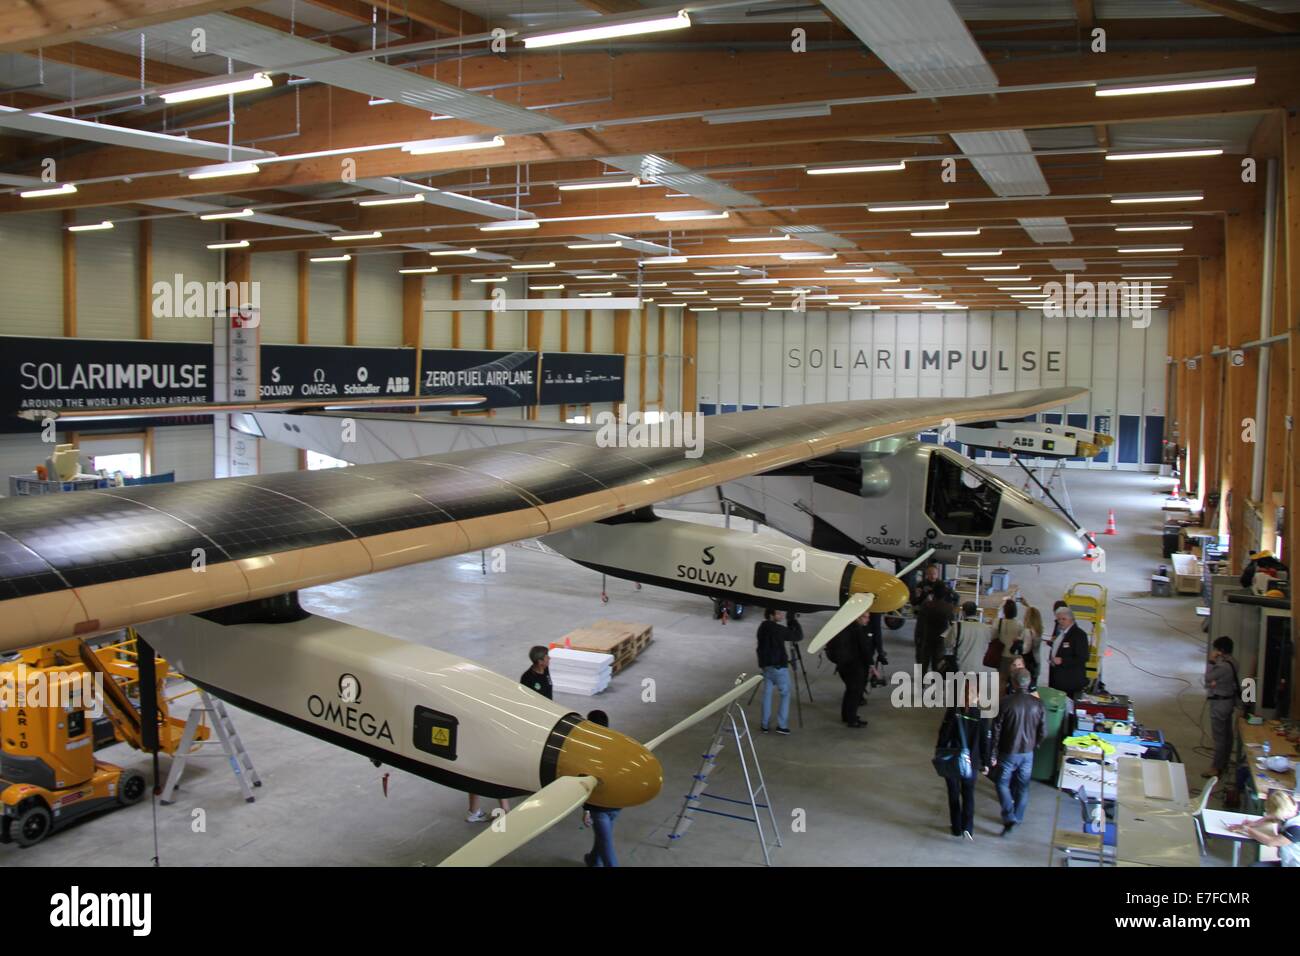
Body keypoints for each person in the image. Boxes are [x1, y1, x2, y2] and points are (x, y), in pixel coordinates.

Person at [990, 669, 1045, 836]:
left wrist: (993, 753)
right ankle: (1018, 817)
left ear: (1013, 683)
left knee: (1001, 783)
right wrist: (1035, 745)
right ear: (1028, 683)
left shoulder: (1005, 703)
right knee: (1023, 786)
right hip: (1027, 753)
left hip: (1008, 751)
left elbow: (996, 730)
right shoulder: (1038, 704)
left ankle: (1009, 815)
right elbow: (1043, 731)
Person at [935, 680, 992, 840]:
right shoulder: (981, 716)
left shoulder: (953, 712)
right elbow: (985, 742)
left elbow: (944, 734)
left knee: (953, 794)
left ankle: (956, 827)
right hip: (971, 763)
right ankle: (968, 827)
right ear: (978, 696)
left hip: (952, 759)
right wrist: (986, 763)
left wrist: (939, 751)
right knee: (968, 794)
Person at [582, 709, 621, 867]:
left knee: (607, 846)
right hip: (618, 802)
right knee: (603, 837)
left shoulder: (589, 751)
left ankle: (597, 861)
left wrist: (586, 811)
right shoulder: (616, 743)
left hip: (600, 808)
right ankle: (593, 860)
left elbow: (587, 782)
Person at [1229, 790, 1300, 867]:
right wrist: (1254, 823)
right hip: (1286, 862)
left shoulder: (1296, 829)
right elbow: (1270, 817)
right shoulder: (1290, 812)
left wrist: (1248, 830)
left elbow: (1271, 842)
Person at [1202, 636, 1240, 778]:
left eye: (1216, 649)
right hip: (1228, 702)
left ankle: (1216, 768)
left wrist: (1211, 661)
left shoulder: (1222, 666)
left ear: (1221, 650)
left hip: (1219, 704)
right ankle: (1224, 763)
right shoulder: (1233, 662)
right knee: (1227, 735)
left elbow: (1208, 677)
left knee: (1219, 737)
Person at [829, 610, 872, 728]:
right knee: (855, 692)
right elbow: (864, 649)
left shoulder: (846, 627)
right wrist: (871, 665)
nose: (868, 620)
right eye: (865, 617)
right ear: (858, 617)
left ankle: (846, 715)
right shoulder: (858, 630)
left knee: (849, 690)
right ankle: (852, 719)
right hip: (854, 666)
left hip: (843, 665)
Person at [756, 608, 793, 734]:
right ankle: (782, 725)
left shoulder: (762, 627)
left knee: (767, 695)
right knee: (785, 694)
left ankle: (764, 725)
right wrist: (792, 619)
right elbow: (797, 635)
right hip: (779, 668)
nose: (781, 614)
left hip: (766, 667)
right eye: (778, 613)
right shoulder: (778, 630)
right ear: (771, 615)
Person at [1048, 607, 1090, 698]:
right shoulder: (1062, 633)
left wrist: (1062, 660)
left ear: (1071, 619)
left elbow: (1083, 657)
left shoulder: (1079, 635)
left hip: (1070, 682)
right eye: (1058, 619)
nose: (1060, 622)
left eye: (1064, 619)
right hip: (1059, 679)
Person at [944, 601, 991, 677]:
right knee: (973, 688)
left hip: (960, 667)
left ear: (963, 612)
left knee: (958, 688)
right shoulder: (985, 628)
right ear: (976, 612)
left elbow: (947, 644)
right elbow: (987, 646)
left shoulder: (957, 626)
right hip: (977, 668)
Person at [916, 594, 956, 675]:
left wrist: (918, 636)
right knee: (937, 661)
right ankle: (936, 682)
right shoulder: (948, 607)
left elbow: (920, 623)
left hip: (927, 636)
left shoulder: (926, 605)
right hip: (941, 638)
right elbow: (953, 624)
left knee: (924, 660)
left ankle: (921, 682)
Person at [993, 599, 1024, 691]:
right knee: (1015, 680)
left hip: (1002, 655)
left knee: (1001, 680)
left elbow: (993, 636)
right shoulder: (1019, 624)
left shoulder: (998, 622)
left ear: (1004, 610)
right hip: (1015, 656)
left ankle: (1000, 702)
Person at [1020, 606, 1045, 688]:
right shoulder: (1038, 631)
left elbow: (1025, 649)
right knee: (1033, 687)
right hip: (1036, 663)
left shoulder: (1027, 631)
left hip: (1027, 664)